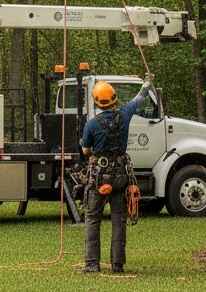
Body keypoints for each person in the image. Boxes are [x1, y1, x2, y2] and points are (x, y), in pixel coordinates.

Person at [79, 75, 154, 275]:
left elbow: (86, 151)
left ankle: (92, 264)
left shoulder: (92, 124)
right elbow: (139, 98)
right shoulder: (125, 113)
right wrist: (146, 84)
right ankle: (117, 264)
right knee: (118, 218)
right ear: (114, 99)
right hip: (121, 174)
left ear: (97, 102)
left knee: (93, 218)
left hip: (98, 175)